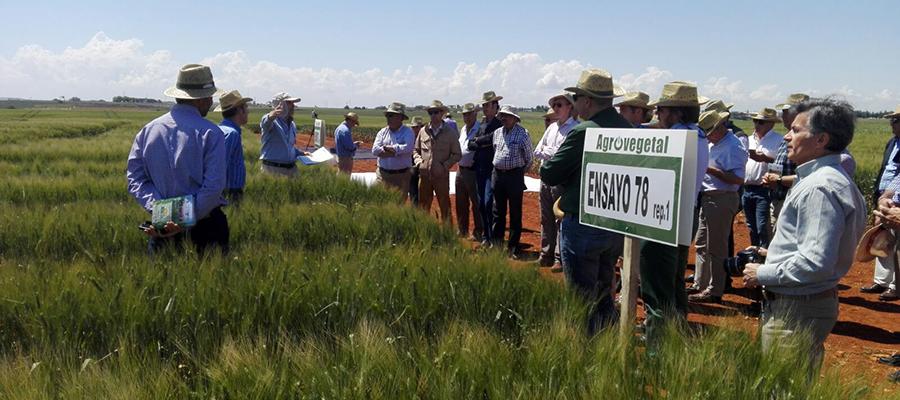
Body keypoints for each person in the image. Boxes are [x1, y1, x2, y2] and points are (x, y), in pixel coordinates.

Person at [743, 97, 866, 373]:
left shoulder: (818, 188)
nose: (787, 136)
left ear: (821, 139)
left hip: (796, 309)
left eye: (797, 130)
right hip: (804, 304)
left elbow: (815, 263)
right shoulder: (826, 178)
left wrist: (760, 274)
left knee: (783, 388)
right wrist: (773, 255)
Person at [541, 69, 632, 334]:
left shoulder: (584, 132)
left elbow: (550, 172)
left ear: (588, 100)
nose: (575, 102)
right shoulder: (628, 129)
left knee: (581, 297)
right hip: (613, 223)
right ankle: (609, 343)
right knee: (604, 291)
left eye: (577, 97)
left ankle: (587, 349)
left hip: (582, 222)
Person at [126, 63, 229, 254]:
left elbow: (135, 180)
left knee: (161, 282)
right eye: (211, 97)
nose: (211, 102)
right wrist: (183, 220)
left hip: (161, 229)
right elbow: (213, 186)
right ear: (202, 99)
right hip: (204, 229)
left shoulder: (147, 131)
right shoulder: (210, 133)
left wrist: (163, 215)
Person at [641, 81, 710, 344]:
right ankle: (677, 330)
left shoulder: (675, 137)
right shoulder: (699, 135)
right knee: (675, 279)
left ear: (677, 113)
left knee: (657, 285)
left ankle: (656, 346)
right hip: (687, 214)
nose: (657, 115)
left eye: (661, 110)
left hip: (663, 217)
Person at [688, 110, 747, 303]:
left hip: (721, 199)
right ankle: (700, 283)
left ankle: (715, 290)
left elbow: (738, 178)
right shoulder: (715, 143)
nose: (708, 135)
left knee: (717, 248)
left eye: (710, 131)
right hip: (708, 198)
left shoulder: (733, 146)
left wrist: (709, 169)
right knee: (702, 244)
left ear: (721, 127)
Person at [533, 92, 578, 271]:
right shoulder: (551, 128)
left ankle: (559, 258)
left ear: (570, 107)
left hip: (562, 181)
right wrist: (552, 151)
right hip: (545, 179)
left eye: (560, 105)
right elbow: (538, 150)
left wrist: (550, 151)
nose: (556, 109)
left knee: (560, 219)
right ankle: (546, 254)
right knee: (546, 218)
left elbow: (562, 156)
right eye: (554, 105)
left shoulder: (575, 129)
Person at [861, 104, 900, 301]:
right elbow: (890, 173)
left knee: (897, 245)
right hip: (887, 200)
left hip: (897, 206)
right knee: (883, 240)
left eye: (895, 120)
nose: (892, 124)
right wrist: (882, 197)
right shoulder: (892, 143)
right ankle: (882, 281)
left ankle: (895, 285)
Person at [761, 94, 808, 241]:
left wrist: (780, 180)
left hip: (790, 202)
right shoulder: (786, 137)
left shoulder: (805, 141)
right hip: (777, 200)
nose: (783, 116)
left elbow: (807, 177)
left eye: (787, 112)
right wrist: (770, 177)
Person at [414, 100, 462, 221]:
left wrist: (445, 166)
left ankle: (447, 233)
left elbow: (457, 154)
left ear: (442, 113)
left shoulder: (450, 133)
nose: (433, 115)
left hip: (441, 177)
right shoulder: (423, 131)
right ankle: (423, 233)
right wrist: (420, 163)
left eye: (436, 112)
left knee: (445, 207)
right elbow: (415, 150)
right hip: (424, 177)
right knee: (423, 209)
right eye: (431, 112)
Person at [468, 91, 504, 246]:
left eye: (487, 105)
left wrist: (480, 141)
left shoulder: (499, 125)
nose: (484, 108)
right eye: (483, 105)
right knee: (481, 203)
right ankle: (485, 237)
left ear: (495, 106)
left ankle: (493, 238)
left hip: (492, 169)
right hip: (480, 168)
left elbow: (493, 139)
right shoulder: (482, 125)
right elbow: (470, 144)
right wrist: (484, 143)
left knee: (489, 203)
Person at [743, 108, 783, 249]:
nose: (757, 124)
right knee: (751, 226)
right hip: (747, 189)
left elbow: (782, 165)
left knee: (762, 227)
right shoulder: (748, 140)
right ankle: (755, 254)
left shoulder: (780, 140)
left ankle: (765, 255)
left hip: (764, 190)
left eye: (761, 122)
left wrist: (765, 158)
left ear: (772, 123)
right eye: (755, 121)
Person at [215, 90, 252, 205]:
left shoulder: (220, 129)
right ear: (239, 110)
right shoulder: (231, 134)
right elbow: (219, 166)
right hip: (230, 192)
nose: (248, 112)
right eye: (246, 107)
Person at [372, 102, 416, 200]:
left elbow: (408, 148)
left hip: (400, 176)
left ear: (400, 117)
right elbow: (375, 150)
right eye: (387, 115)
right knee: (378, 202)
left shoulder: (408, 132)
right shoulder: (382, 132)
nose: (388, 118)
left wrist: (388, 149)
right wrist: (396, 152)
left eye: (390, 115)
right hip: (382, 174)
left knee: (398, 205)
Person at [260, 92, 309, 177]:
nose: (293, 106)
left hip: (292, 170)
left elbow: (288, 146)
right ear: (281, 104)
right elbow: (265, 124)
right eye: (289, 103)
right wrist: (272, 115)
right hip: (273, 170)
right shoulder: (272, 121)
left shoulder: (292, 124)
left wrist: (300, 153)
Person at [456, 103, 483, 239]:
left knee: (476, 202)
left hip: (473, 170)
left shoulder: (480, 129)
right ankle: (462, 229)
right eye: (464, 114)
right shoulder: (463, 130)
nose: (466, 117)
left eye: (469, 114)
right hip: (460, 169)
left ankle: (478, 231)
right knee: (460, 201)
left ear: (475, 114)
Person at [407, 116, 425, 205]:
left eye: (417, 127)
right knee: (413, 196)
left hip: (423, 170)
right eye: (413, 127)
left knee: (423, 197)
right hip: (412, 170)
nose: (415, 129)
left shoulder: (426, 139)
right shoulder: (409, 138)